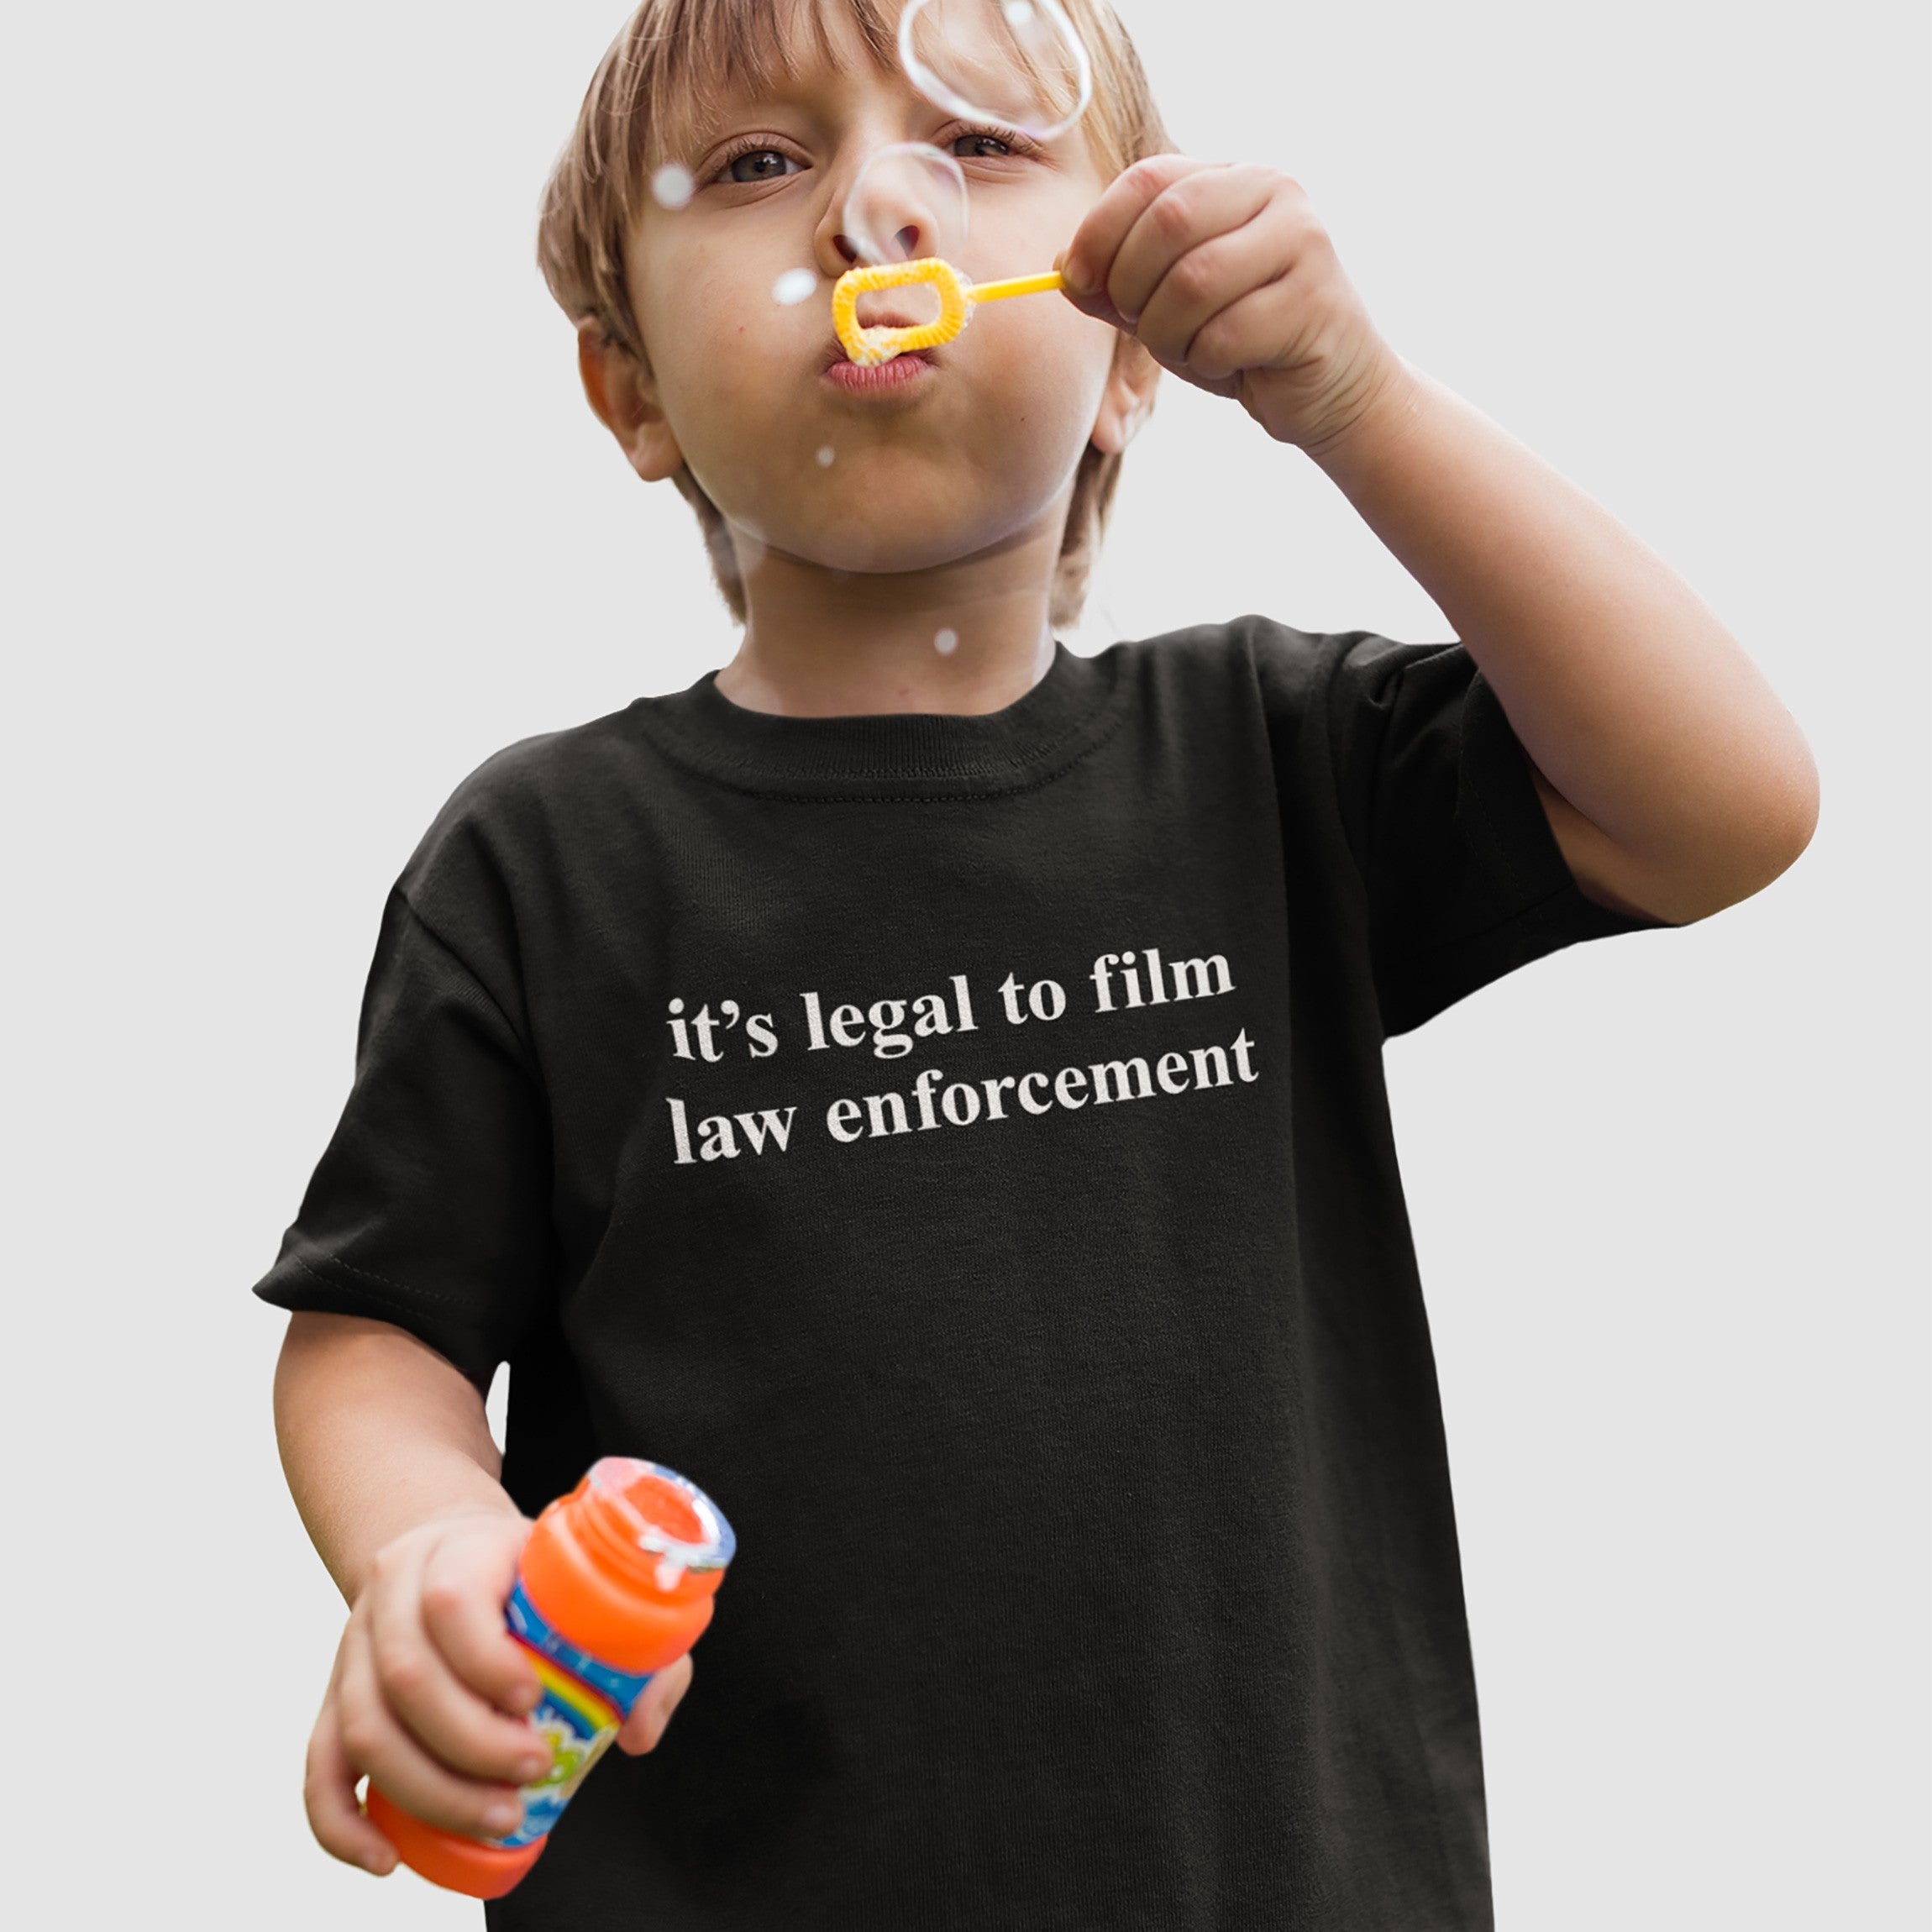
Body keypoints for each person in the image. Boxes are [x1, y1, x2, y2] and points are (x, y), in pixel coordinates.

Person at [255, 1, 1819, 1924]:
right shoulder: (545, 860)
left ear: (1135, 348)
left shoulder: (1266, 760)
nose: (873, 213)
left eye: (980, 146)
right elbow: (376, 1324)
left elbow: (1720, 806)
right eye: (758, 165)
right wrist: (430, 1546)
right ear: (630, 390)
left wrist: (1356, 398)